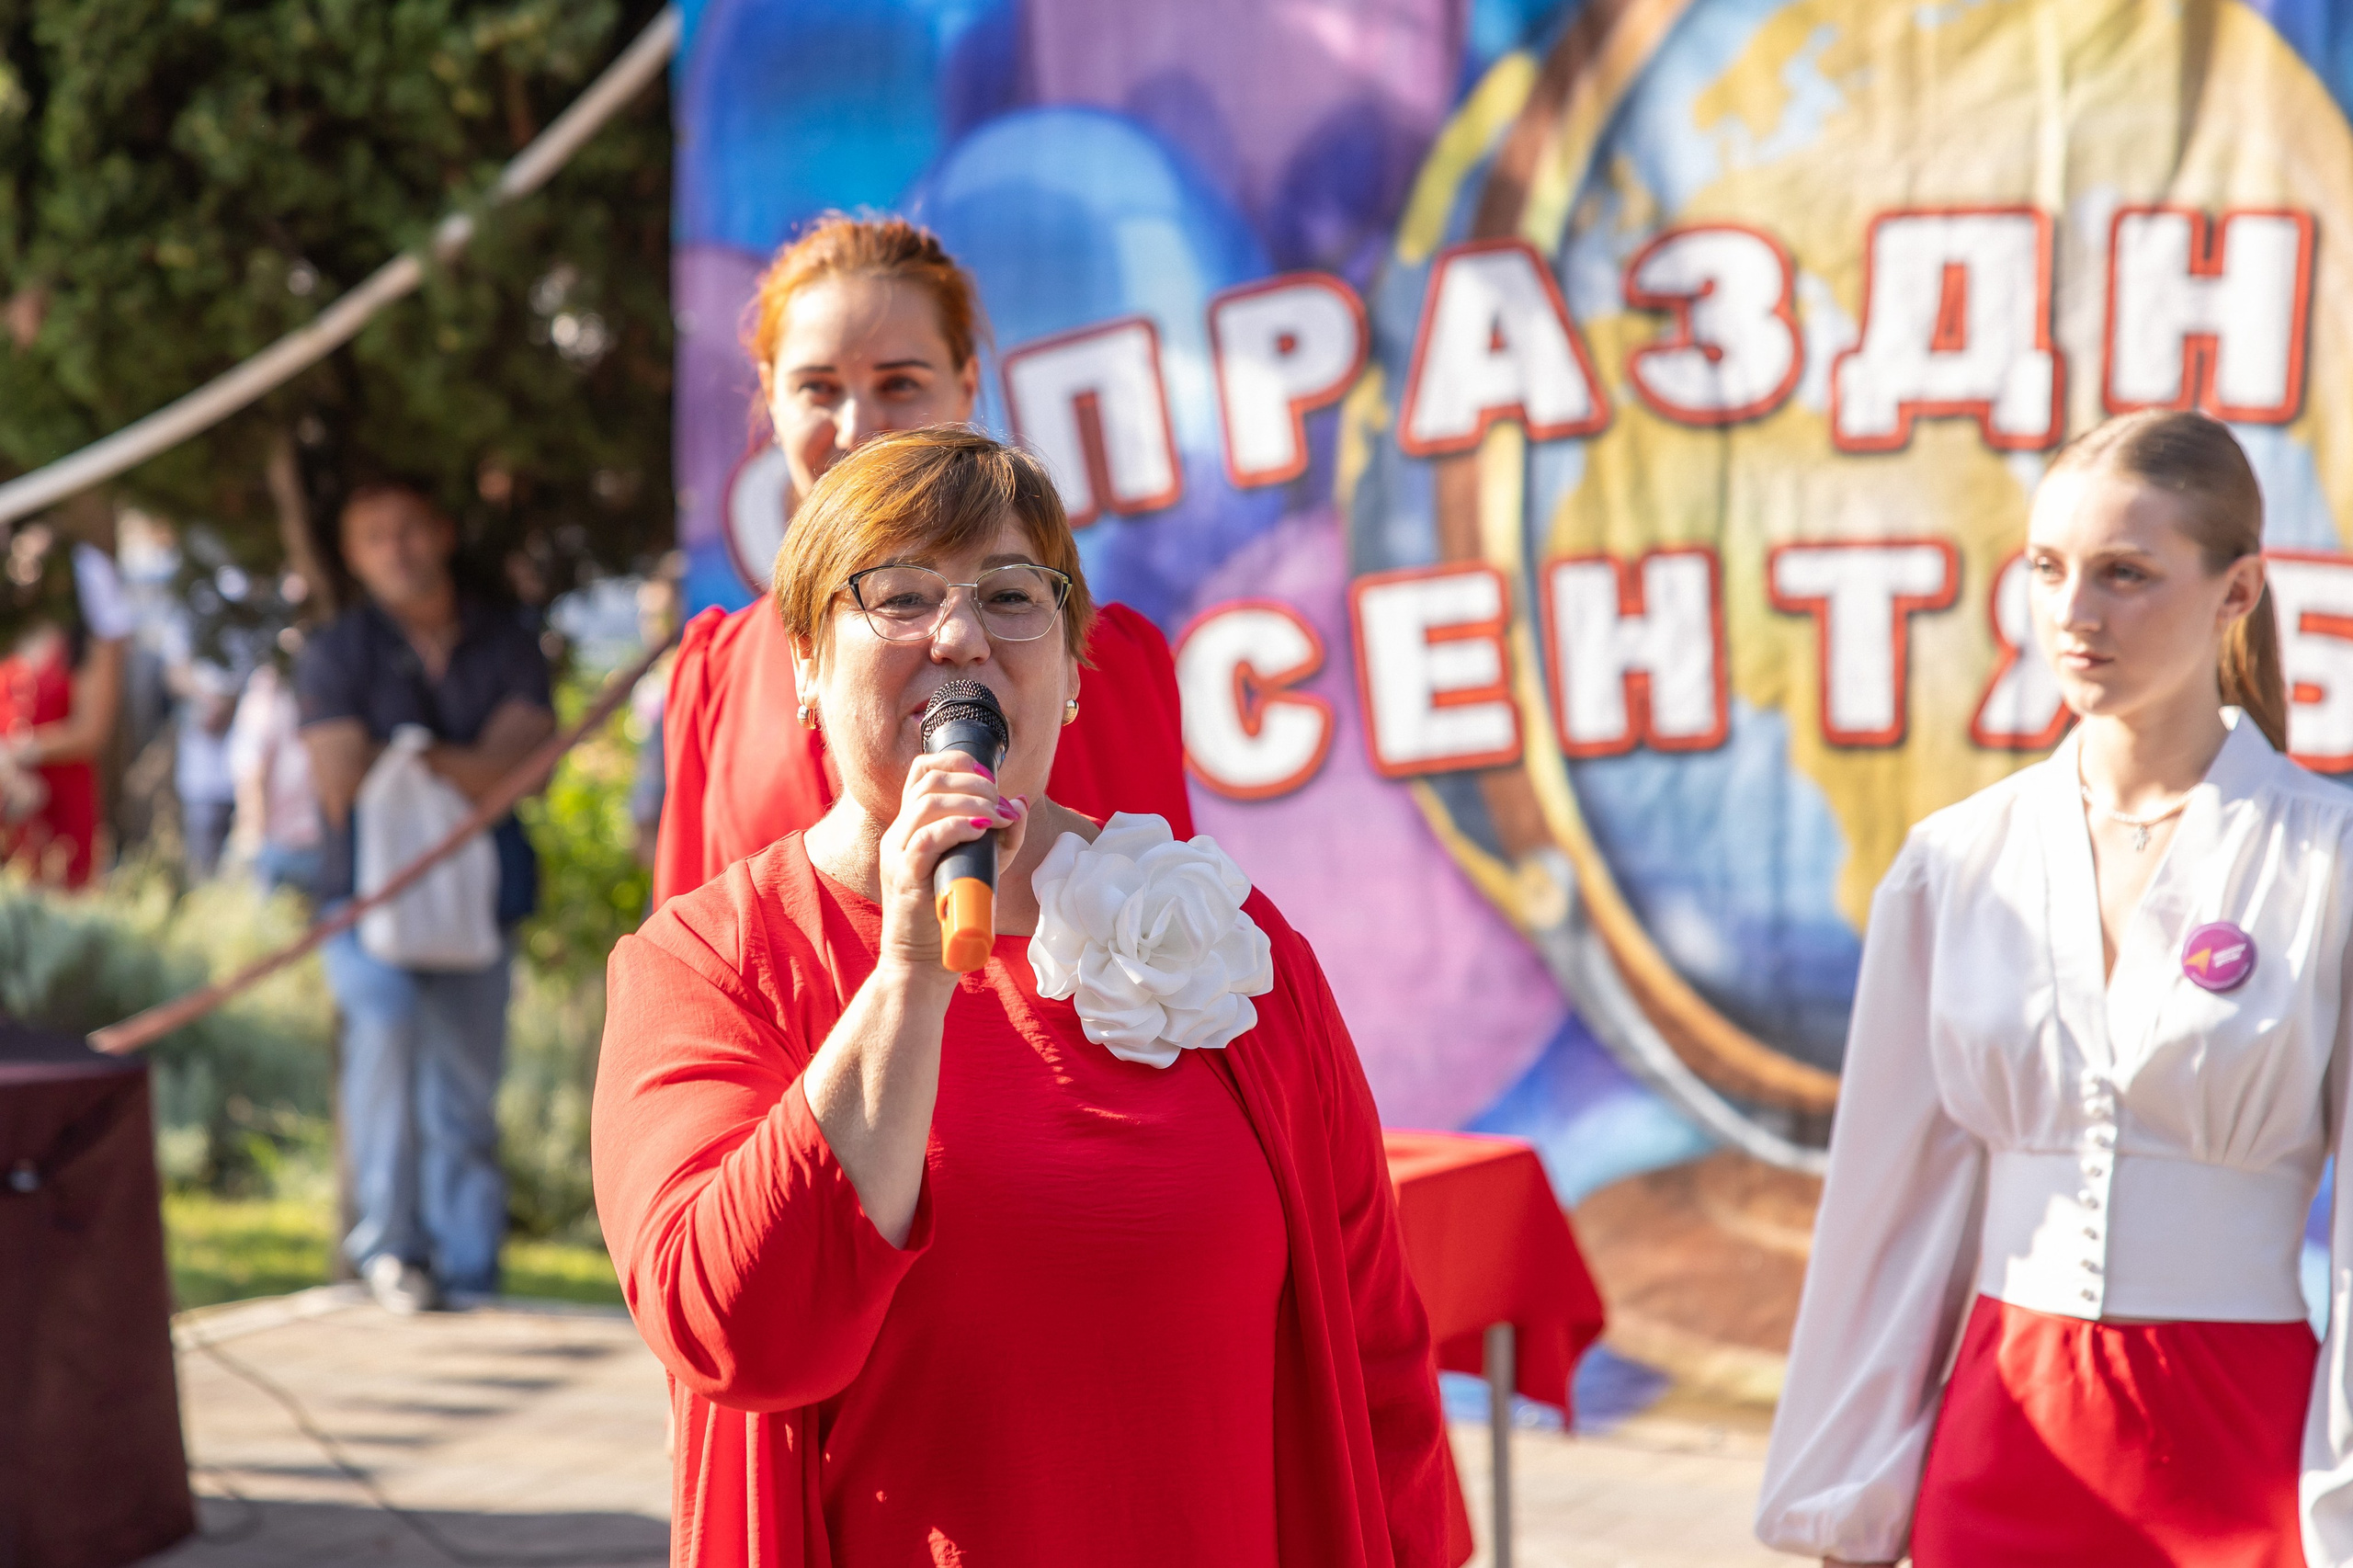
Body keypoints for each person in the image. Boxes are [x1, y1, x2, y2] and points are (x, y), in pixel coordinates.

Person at [594, 427, 1450, 1568]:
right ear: (803, 661)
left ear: (1073, 668)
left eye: (1010, 597)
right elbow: (735, 1328)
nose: (958, 639)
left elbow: (1377, 1345)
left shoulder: (1240, 951)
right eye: (897, 596)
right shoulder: (710, 965)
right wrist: (905, 974)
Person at [1756, 409, 2353, 1566]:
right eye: (2047, 569)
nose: (2074, 615)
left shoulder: (2327, 860)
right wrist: (1849, 1501)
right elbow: (1889, 1205)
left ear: (2238, 592)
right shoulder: (1954, 859)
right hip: (1999, 1438)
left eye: (2125, 574)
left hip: (2244, 1454)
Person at [652, 214, 1189, 908]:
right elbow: (697, 955)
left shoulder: (1112, 662)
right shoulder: (716, 676)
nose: (856, 429)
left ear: (967, 386)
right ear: (771, 400)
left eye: (899, 383)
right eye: (817, 387)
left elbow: (1169, 949)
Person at [297, 480, 554, 1315]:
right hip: (364, 904)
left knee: (466, 1093)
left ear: (441, 532)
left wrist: (405, 757)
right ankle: (391, 1252)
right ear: (353, 555)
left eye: (408, 528)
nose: (396, 549)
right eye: (373, 535)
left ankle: (470, 1268)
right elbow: (339, 780)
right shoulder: (337, 651)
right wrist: (468, 763)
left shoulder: (507, 642)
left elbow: (528, 770)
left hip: (480, 904)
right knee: (385, 1047)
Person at [0, 520, 134, 888]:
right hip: (10, 800)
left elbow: (91, 731)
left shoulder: (85, 646)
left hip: (64, 797)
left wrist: (19, 751)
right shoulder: (10, 640)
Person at [225, 660, 323, 896]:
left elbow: (248, 768)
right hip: (281, 840)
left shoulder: (318, 685)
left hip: (310, 840)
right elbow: (250, 770)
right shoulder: (267, 694)